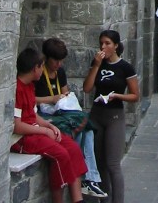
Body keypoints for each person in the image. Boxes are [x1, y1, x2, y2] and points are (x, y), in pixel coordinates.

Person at [12, 47, 87, 203]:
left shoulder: (30, 86)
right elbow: (17, 126)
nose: (43, 70)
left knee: (72, 147)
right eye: (41, 66)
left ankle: (77, 199)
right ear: (35, 68)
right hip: (22, 138)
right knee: (60, 154)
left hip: (35, 131)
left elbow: (33, 115)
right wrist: (44, 132)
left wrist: (49, 126)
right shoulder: (17, 89)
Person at [35, 38, 107, 199]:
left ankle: (89, 179)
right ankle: (82, 176)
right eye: (56, 61)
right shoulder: (39, 73)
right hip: (44, 115)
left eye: (61, 61)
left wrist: (63, 97)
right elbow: (31, 100)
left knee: (86, 129)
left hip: (60, 112)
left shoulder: (59, 72)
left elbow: (64, 91)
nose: (58, 64)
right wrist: (50, 99)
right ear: (47, 58)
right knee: (80, 131)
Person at [83, 30, 140, 203]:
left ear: (115, 46)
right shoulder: (98, 63)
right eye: (101, 43)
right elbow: (87, 88)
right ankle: (105, 199)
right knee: (99, 162)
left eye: (107, 43)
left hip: (114, 115)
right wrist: (96, 65)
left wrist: (117, 96)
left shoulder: (125, 68)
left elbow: (135, 95)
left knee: (113, 164)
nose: (103, 47)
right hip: (97, 114)